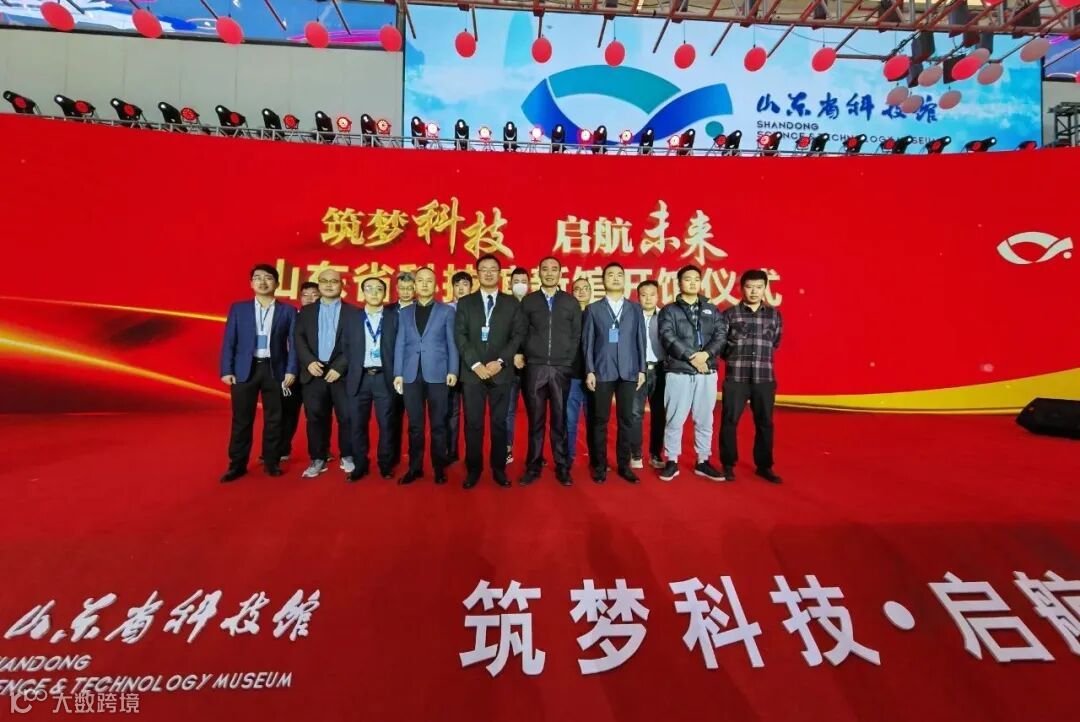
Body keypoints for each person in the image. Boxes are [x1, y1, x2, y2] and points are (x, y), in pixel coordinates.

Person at [219, 264, 297, 482]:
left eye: (268, 278)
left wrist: (291, 370)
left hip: (275, 370)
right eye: (257, 278)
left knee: (275, 419)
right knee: (242, 420)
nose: (263, 282)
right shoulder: (239, 309)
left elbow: (294, 344)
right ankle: (237, 465)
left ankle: (271, 462)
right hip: (245, 370)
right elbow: (229, 340)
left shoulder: (288, 311)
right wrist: (226, 369)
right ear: (251, 283)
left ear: (277, 283)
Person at [454, 254, 525, 489]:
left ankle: (499, 469)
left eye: (493, 269)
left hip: (501, 373)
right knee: (473, 424)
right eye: (483, 269)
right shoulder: (465, 303)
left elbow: (517, 336)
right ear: (477, 273)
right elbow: (460, 335)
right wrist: (476, 364)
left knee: (499, 423)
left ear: (499, 273)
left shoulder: (511, 303)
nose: (488, 273)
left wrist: (501, 362)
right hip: (472, 374)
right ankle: (473, 469)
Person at [656, 265, 727, 482]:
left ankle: (702, 461)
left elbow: (721, 335)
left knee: (705, 419)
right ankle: (672, 460)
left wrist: (706, 355)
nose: (693, 282)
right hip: (679, 371)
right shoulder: (669, 310)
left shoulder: (712, 309)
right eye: (688, 279)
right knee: (674, 419)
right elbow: (667, 336)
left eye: (696, 279)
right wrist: (691, 357)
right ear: (679, 283)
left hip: (707, 371)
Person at [518, 257, 581, 486]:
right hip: (535, 367)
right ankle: (533, 466)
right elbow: (520, 331)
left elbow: (576, 335)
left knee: (559, 420)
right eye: (545, 269)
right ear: (539, 273)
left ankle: (562, 466)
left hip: (561, 368)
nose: (550, 273)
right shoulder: (529, 301)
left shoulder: (570, 302)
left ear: (560, 273)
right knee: (535, 420)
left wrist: (567, 360)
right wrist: (525, 353)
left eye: (554, 269)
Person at [393, 267, 458, 485]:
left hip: (438, 373)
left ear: (436, 285)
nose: (424, 284)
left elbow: (451, 343)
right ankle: (415, 468)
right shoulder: (405, 312)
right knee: (415, 426)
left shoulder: (446, 311)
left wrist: (453, 370)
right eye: (420, 280)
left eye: (429, 280)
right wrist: (398, 373)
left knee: (439, 424)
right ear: (414, 285)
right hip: (411, 375)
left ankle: (439, 468)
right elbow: (400, 344)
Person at [582, 262, 646, 484]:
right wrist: (590, 370)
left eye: (620, 274)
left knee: (626, 419)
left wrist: (642, 369)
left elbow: (640, 340)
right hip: (602, 370)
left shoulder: (635, 309)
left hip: (629, 370)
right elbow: (587, 343)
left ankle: (624, 466)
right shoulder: (593, 309)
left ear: (624, 279)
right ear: (603, 280)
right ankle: (600, 466)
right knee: (599, 420)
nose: (616, 278)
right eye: (611, 275)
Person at [719, 269, 784, 484]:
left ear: (765, 288)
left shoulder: (774, 315)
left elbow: (775, 342)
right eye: (749, 287)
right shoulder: (730, 314)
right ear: (741, 288)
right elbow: (721, 346)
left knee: (765, 423)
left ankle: (764, 466)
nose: (754, 291)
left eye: (759, 287)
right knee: (729, 421)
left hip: (764, 378)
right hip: (736, 377)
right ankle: (728, 465)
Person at [295, 269, 356, 478]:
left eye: (334, 281)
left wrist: (340, 367)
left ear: (342, 285)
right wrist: (309, 361)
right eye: (324, 281)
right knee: (315, 417)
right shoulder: (306, 311)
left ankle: (348, 455)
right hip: (314, 372)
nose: (329, 285)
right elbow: (298, 338)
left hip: (341, 374)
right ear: (319, 284)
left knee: (347, 416)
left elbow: (356, 343)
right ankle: (318, 458)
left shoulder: (353, 313)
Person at [342, 277, 398, 482]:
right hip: (360, 378)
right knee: (357, 424)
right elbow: (345, 347)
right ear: (362, 292)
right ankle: (360, 465)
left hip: (384, 378)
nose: (374, 293)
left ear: (385, 293)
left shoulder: (394, 317)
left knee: (387, 424)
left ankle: (385, 464)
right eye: (369, 288)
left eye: (379, 289)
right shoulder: (352, 318)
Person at [278, 281, 319, 462]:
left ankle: (320, 451)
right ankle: (281, 449)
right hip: (292, 373)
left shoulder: (327, 317)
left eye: (314, 295)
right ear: (300, 297)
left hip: (316, 374)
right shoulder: (292, 316)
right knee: (287, 413)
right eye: (305, 295)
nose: (310, 298)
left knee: (317, 414)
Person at [631, 280, 667, 470]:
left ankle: (655, 453)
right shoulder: (631, 317)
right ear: (638, 297)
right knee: (635, 413)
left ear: (658, 296)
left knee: (659, 414)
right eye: (644, 295)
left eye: (652, 294)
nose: (648, 298)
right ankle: (635, 454)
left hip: (660, 370)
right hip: (638, 370)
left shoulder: (665, 317)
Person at [385, 271, 415, 471]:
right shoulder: (387, 311)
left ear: (415, 289)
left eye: (409, 288)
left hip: (414, 371)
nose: (405, 292)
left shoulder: (421, 310)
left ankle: (415, 458)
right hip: (390, 371)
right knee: (392, 417)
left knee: (415, 419)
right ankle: (391, 457)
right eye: (402, 288)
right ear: (396, 289)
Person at [446, 270, 474, 464]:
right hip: (451, 368)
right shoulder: (445, 309)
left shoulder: (478, 309)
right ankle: (451, 451)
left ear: (471, 287)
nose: (461, 288)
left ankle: (472, 454)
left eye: (465, 285)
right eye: (457, 285)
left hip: (473, 368)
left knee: (472, 413)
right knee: (452, 411)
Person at [566, 277, 594, 468]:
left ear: (591, 292)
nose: (582, 292)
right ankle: (568, 457)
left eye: (585, 288)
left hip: (595, 377)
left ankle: (596, 459)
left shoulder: (597, 314)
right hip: (572, 376)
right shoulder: (566, 316)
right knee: (570, 421)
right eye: (577, 289)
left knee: (594, 422)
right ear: (572, 293)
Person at [505, 266, 530, 464]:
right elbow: (499, 337)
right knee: (508, 411)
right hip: (509, 368)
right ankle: (507, 448)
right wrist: (512, 355)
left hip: (532, 368)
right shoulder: (503, 305)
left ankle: (535, 453)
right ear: (509, 284)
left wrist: (526, 356)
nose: (520, 285)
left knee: (536, 412)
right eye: (516, 282)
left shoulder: (535, 305)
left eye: (523, 282)